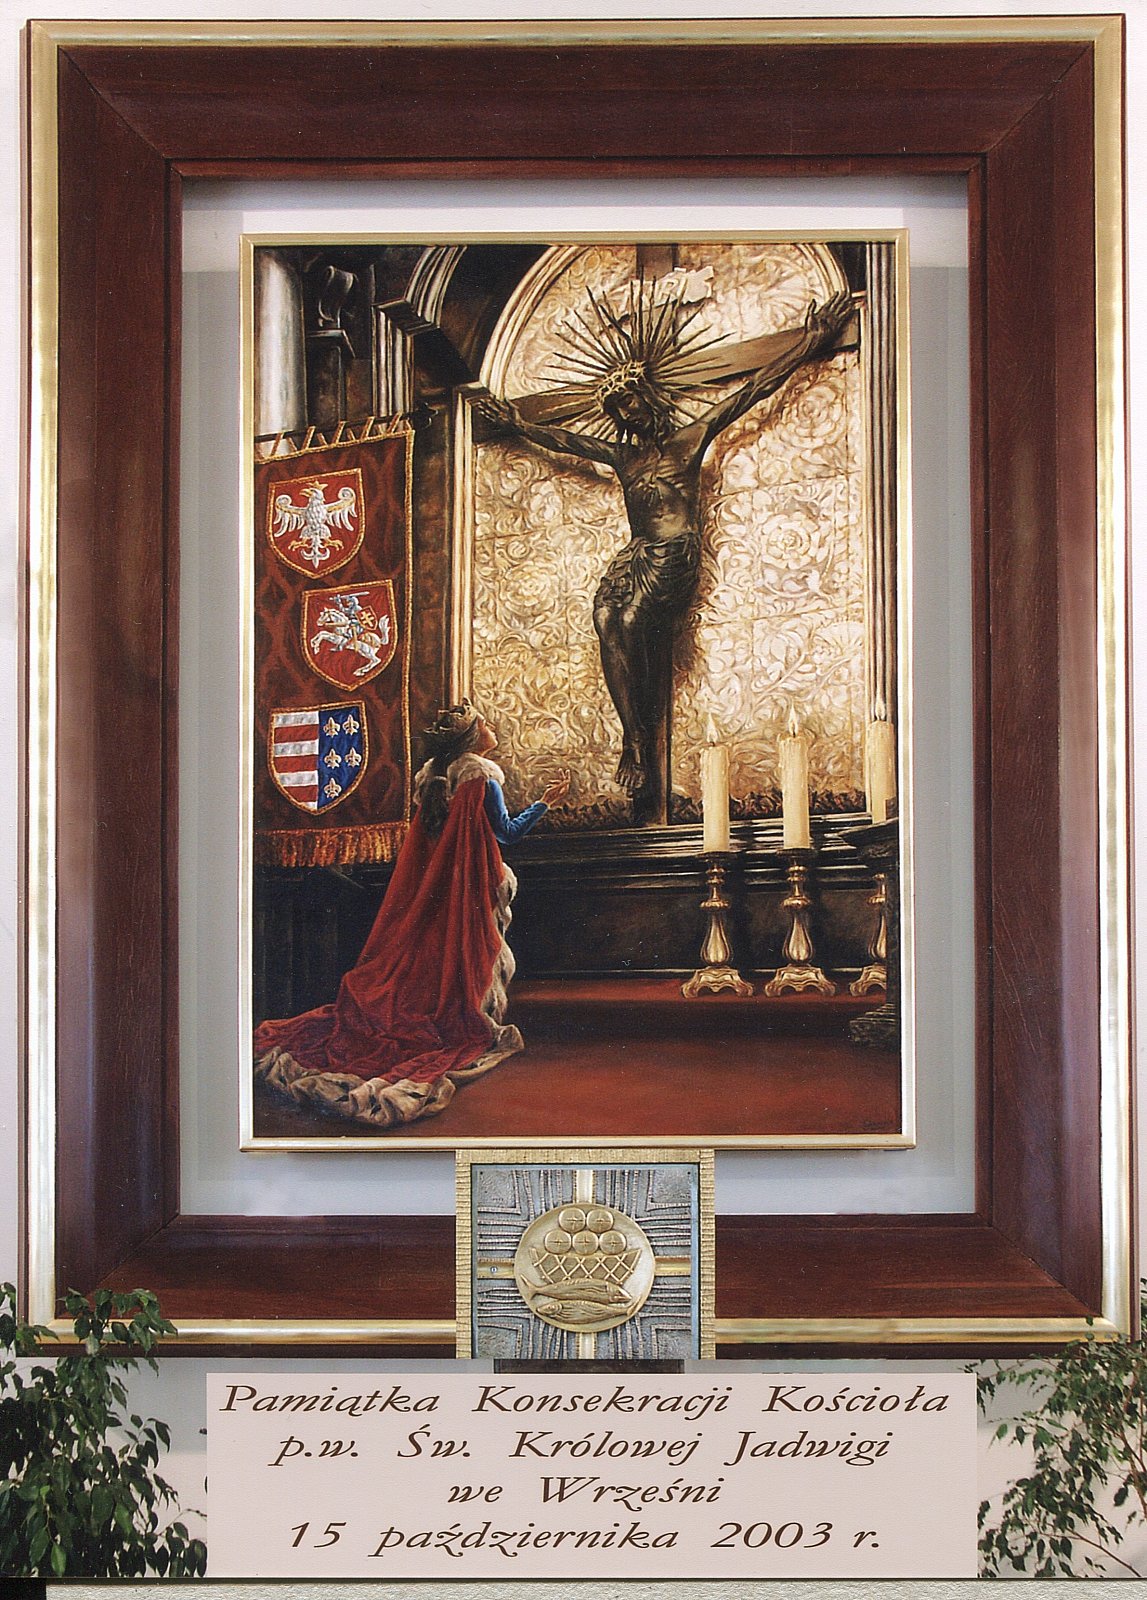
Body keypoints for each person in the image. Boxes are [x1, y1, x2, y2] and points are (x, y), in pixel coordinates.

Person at [481, 287, 853, 824]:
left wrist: (812, 340)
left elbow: (753, 390)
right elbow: (565, 442)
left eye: (631, 401)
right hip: (637, 553)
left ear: (650, 398)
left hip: (674, 554)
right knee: (605, 617)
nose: (627, 414)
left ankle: (636, 739)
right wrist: (516, 425)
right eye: (618, 410)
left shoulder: (689, 440)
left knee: (634, 619)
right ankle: (634, 738)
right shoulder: (623, 457)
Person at [255, 701, 569, 1129]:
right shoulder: (480, 775)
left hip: (435, 892)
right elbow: (508, 833)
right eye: (484, 724)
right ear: (472, 738)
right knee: (466, 960)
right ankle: (463, 1017)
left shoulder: (434, 779)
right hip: (470, 888)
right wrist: (545, 803)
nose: (492, 727)